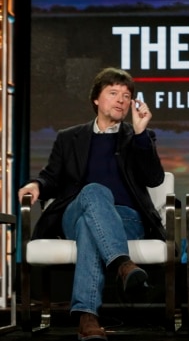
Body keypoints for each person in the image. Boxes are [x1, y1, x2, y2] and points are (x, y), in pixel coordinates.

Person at [18, 67, 166, 341]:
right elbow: (52, 176)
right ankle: (123, 264)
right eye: (113, 93)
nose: (121, 100)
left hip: (127, 220)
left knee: (91, 227)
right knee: (94, 192)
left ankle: (87, 318)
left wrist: (141, 134)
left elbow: (154, 179)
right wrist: (36, 185)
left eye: (126, 95)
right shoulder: (69, 137)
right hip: (73, 213)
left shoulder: (138, 137)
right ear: (96, 99)